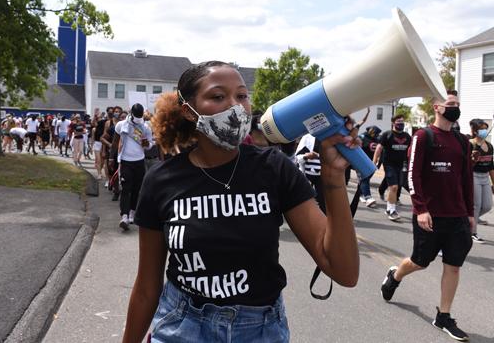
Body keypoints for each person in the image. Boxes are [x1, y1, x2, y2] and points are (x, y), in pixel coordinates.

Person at [123, 61, 359, 343]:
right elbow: (147, 288)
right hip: (182, 326)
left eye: (242, 96)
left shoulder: (274, 169)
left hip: (260, 331)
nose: (235, 106)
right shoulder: (161, 181)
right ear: (189, 111)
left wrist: (334, 177)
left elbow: (343, 271)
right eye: (218, 96)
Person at [380, 90, 473, 342]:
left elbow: (466, 179)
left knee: (453, 265)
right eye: (450, 104)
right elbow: (412, 175)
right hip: (430, 215)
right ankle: (395, 275)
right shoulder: (423, 136)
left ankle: (443, 316)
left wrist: (470, 213)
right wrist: (420, 208)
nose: (455, 108)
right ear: (437, 107)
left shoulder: (463, 141)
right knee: (420, 261)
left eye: (457, 104)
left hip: (457, 215)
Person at [111, 103, 153, 231]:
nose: (139, 119)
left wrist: (147, 144)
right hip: (125, 161)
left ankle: (132, 213)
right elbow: (115, 142)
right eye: (137, 116)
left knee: (136, 189)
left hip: (139, 161)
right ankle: (124, 216)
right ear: (131, 113)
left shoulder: (146, 127)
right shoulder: (121, 125)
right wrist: (111, 158)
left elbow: (150, 144)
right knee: (126, 188)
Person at [372, 114, 412, 221]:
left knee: (397, 186)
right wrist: (374, 161)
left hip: (401, 165)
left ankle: (387, 203)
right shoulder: (387, 134)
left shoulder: (407, 136)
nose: (401, 124)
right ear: (393, 123)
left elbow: (411, 150)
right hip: (389, 164)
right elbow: (379, 148)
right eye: (399, 122)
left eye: (402, 122)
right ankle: (391, 210)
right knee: (394, 187)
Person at [468, 119, 493, 243]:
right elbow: (464, 165)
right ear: (475, 130)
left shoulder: (489, 146)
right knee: (476, 205)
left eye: (485, 128)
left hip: (485, 177)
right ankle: (473, 233)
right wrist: (472, 159)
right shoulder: (470, 144)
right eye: (481, 128)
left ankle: (469, 221)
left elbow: (491, 166)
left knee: (488, 205)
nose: (484, 131)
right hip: (474, 176)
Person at [295, 133, 324, 212]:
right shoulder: (307, 138)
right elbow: (297, 157)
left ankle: (322, 220)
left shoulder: (329, 136)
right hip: (307, 174)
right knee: (305, 199)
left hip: (324, 176)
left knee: (322, 200)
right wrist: (306, 156)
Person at [358, 125, 381, 207]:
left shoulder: (377, 139)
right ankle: (368, 197)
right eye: (374, 132)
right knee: (365, 178)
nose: (375, 134)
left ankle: (361, 194)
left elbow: (379, 151)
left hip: (372, 163)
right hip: (361, 161)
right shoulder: (362, 137)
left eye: (377, 133)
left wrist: (378, 163)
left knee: (365, 179)